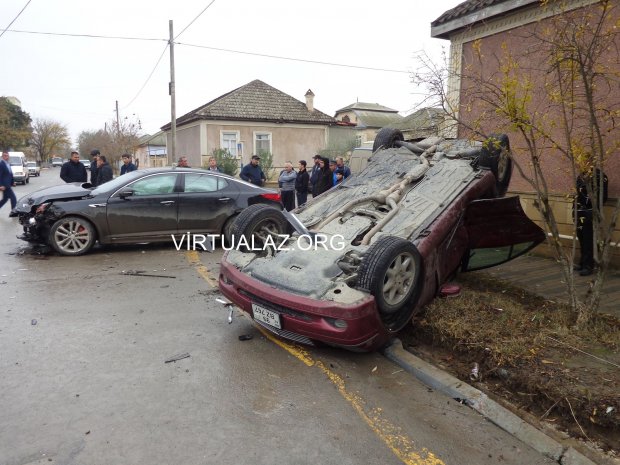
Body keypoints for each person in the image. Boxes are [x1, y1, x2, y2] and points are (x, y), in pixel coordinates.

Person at [575, 169, 608, 276]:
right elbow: (578, 193)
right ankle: (583, 263)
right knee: (581, 237)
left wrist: (592, 208)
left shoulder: (599, 176)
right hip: (579, 211)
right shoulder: (581, 175)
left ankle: (588, 266)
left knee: (589, 239)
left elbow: (603, 196)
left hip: (590, 212)